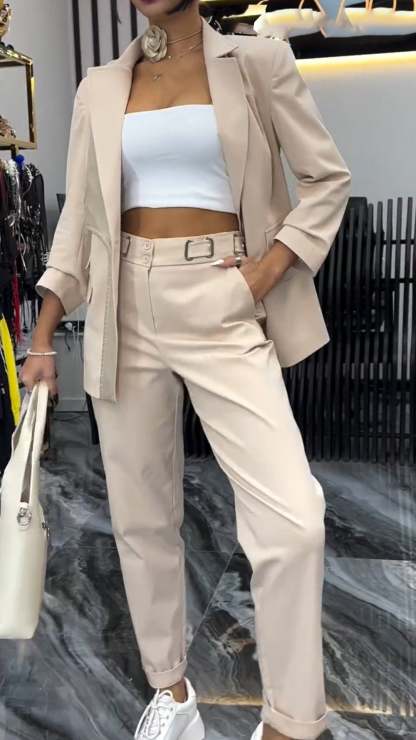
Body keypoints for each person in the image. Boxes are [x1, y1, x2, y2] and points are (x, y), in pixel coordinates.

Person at [20, 0, 352, 738]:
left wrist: (264, 272)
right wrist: (43, 332)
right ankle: (171, 694)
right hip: (123, 306)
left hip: (222, 294)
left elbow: (326, 178)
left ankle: (292, 722)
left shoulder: (257, 62)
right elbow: (80, 223)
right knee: (142, 515)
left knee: (294, 518)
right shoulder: (101, 86)